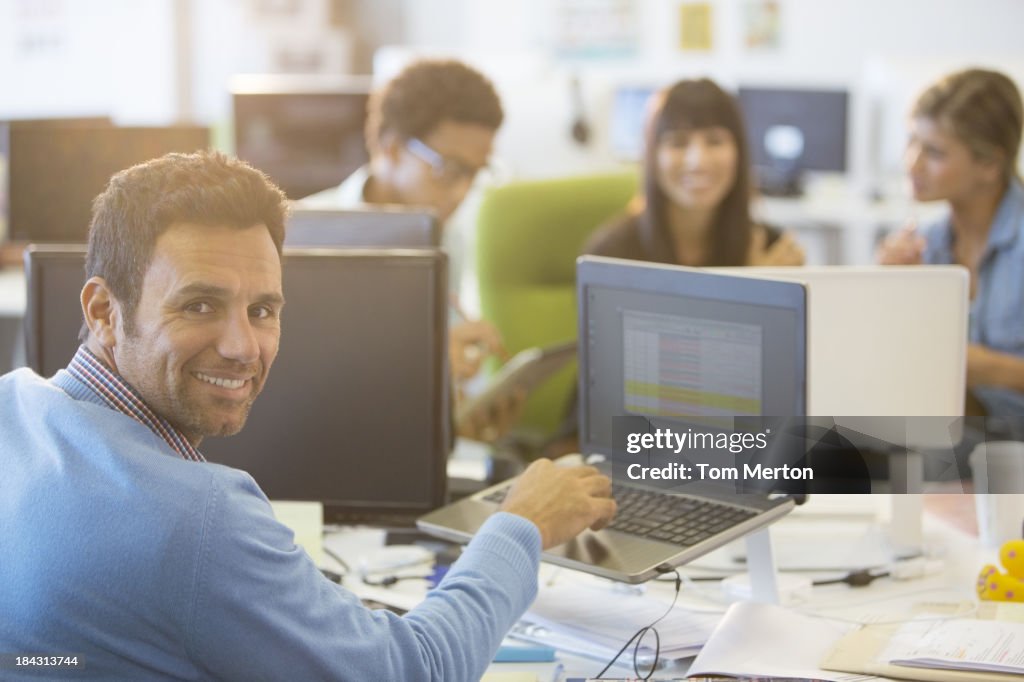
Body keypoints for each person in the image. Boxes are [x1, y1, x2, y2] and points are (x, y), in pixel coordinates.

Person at [0, 151, 616, 681]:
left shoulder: (13, 405)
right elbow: (416, 670)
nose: (243, 346)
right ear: (105, 310)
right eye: (200, 304)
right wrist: (520, 525)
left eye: (263, 310)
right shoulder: (195, 519)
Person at [303, 58, 517, 442]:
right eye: (450, 169)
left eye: (475, 173)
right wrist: (423, 365)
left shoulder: (449, 239)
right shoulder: (298, 236)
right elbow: (299, 397)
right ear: (393, 147)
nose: (462, 192)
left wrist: (462, 415)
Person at [877, 68, 1024, 419]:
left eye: (934, 152)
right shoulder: (927, 245)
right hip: (962, 445)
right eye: (912, 141)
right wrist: (885, 292)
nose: (911, 163)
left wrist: (989, 368)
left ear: (989, 163)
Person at [584, 78, 805, 267]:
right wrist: (749, 290)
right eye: (678, 142)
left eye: (715, 141)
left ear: (739, 152)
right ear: (653, 157)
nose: (698, 161)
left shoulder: (771, 250)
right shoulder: (610, 255)